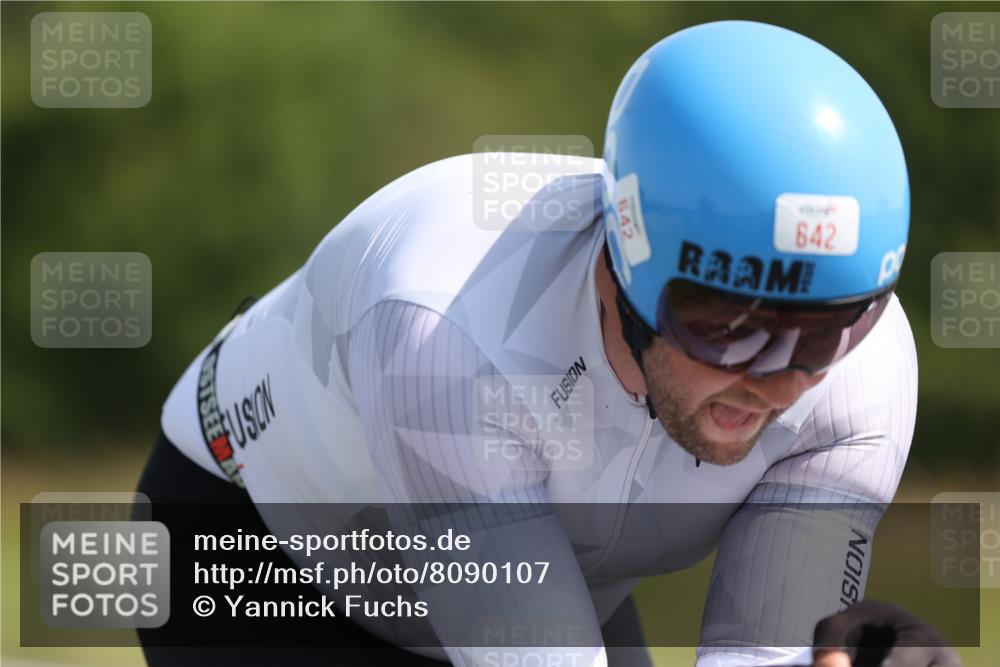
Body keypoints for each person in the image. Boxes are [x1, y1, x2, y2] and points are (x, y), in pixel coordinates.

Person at [136, 20, 959, 667]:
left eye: (822, 332)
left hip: (547, 563)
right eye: (729, 329)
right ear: (620, 263)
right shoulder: (449, 327)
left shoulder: (864, 378)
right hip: (257, 548)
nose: (778, 383)